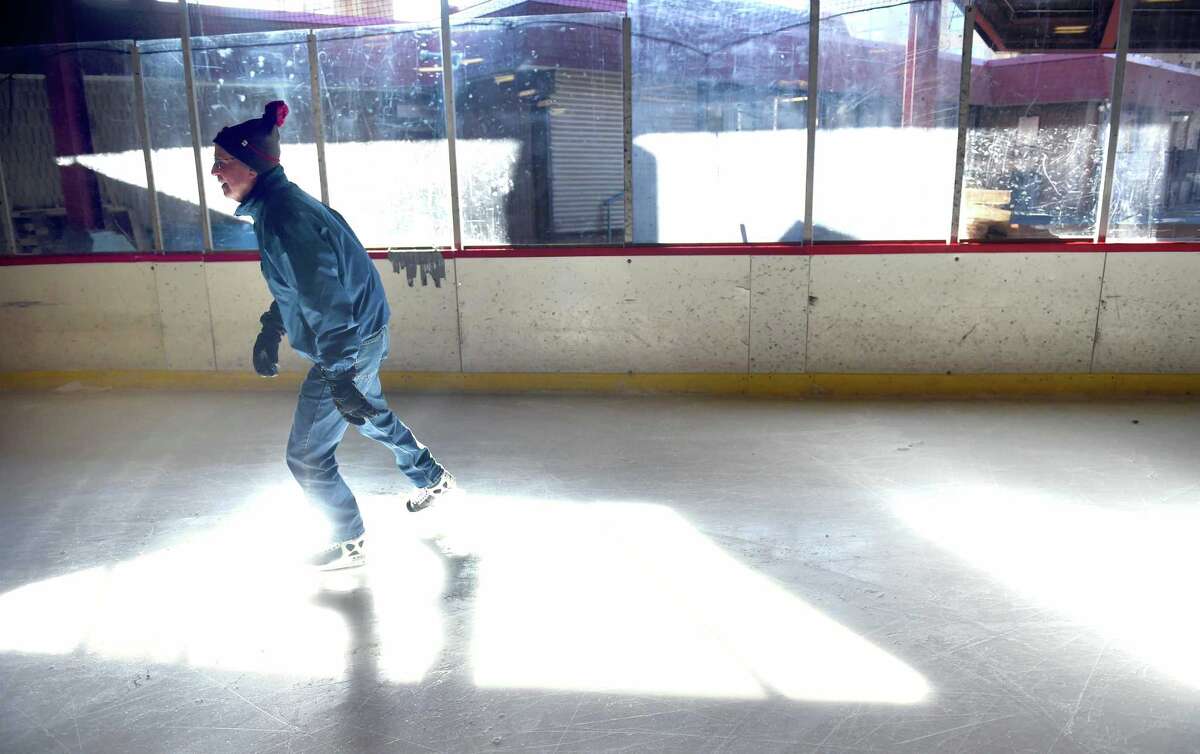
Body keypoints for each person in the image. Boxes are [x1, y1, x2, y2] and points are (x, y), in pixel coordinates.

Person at [211, 100, 455, 571]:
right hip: (362, 334)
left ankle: (347, 540)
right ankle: (431, 476)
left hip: (345, 343)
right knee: (368, 413)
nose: (215, 173)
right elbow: (301, 285)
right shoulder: (287, 205)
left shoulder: (284, 217)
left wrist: (339, 374)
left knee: (306, 456)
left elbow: (325, 299)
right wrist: (273, 325)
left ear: (253, 165)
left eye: (224, 163)